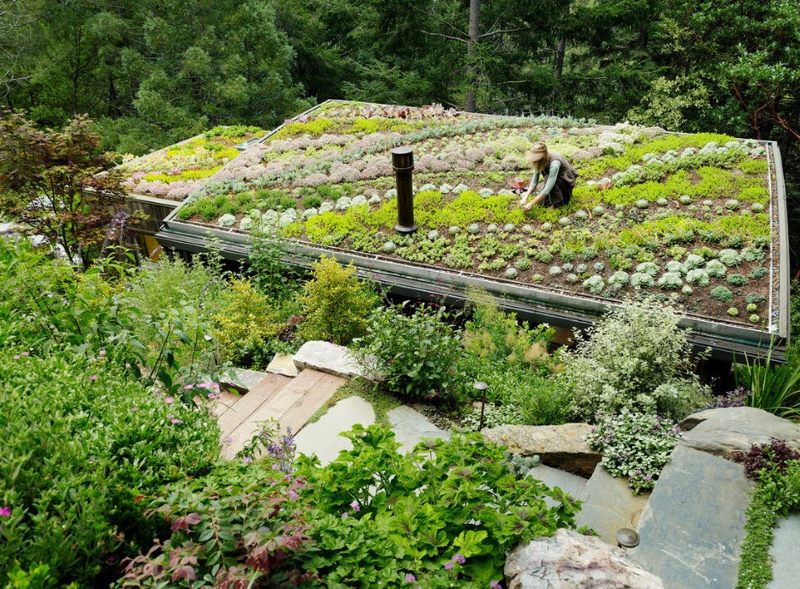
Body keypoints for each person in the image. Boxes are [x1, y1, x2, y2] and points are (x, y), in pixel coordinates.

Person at [519, 142, 578, 210]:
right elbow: (534, 182)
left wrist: (530, 204)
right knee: (541, 203)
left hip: (566, 181)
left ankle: (557, 204)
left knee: (547, 179)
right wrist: (524, 198)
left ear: (543, 156)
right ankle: (558, 197)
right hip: (553, 180)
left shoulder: (555, 163)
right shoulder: (539, 162)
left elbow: (547, 188)